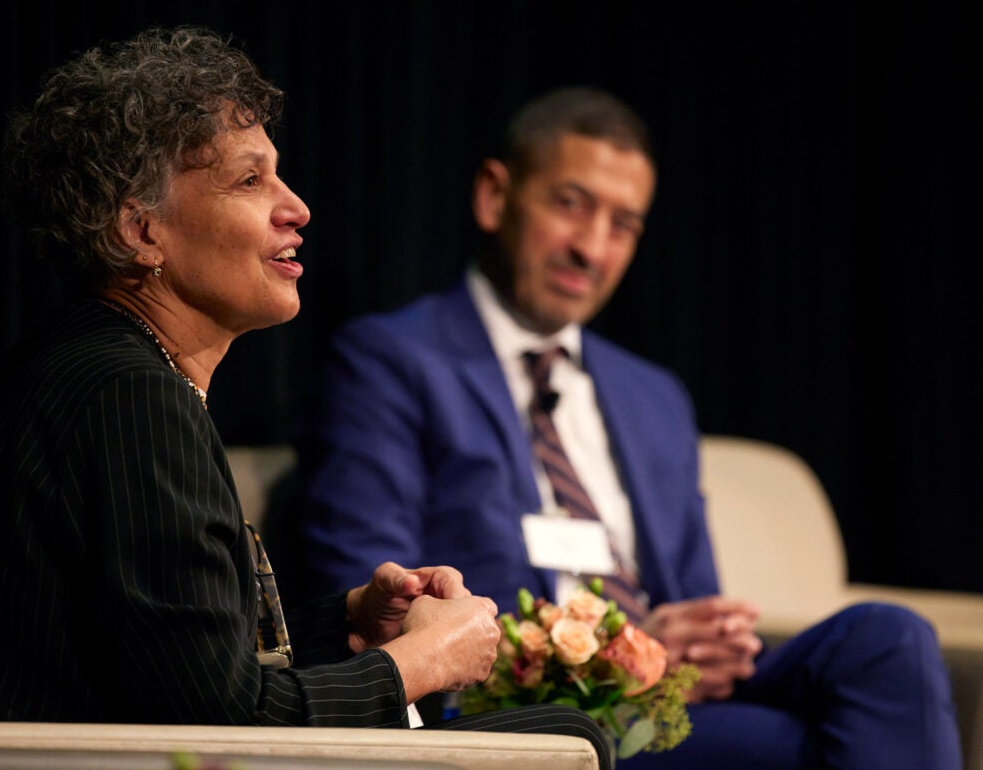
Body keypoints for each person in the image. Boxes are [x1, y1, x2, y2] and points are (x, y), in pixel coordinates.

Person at [0, 25, 610, 764]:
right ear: (141, 231)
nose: (297, 208)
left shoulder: (102, 366)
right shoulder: (129, 397)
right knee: (568, 738)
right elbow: (227, 728)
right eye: (250, 182)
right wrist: (422, 664)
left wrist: (346, 624)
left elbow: (173, 668)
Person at [292, 85, 962, 768]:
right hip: (524, 712)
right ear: (495, 196)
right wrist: (624, 648)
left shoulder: (653, 395)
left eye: (623, 225)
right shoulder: (390, 361)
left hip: (667, 699)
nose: (593, 247)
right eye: (570, 204)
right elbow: (371, 605)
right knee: (817, 746)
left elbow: (696, 603)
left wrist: (700, 644)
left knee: (890, 638)